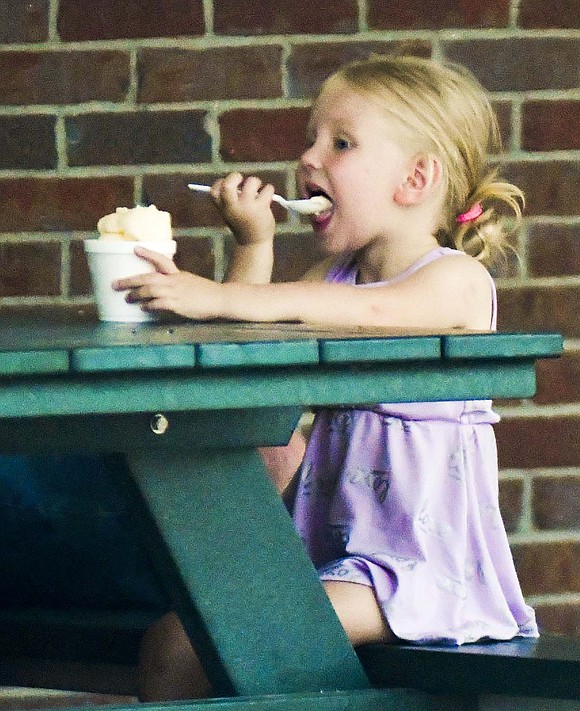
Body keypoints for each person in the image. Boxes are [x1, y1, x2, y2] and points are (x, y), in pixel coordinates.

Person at [114, 54, 538, 701]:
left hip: (420, 573)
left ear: (416, 177)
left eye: (340, 143)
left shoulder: (455, 281)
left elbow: (370, 316)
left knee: (212, 641)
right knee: (177, 640)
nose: (309, 159)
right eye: (309, 140)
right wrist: (254, 248)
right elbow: (246, 364)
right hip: (336, 560)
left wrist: (212, 296)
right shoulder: (330, 282)